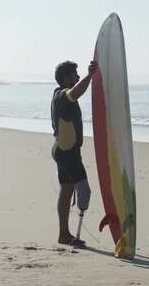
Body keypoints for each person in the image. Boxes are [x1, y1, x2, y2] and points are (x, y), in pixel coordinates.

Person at [51, 60, 98, 245]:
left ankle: (64, 234)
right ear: (64, 78)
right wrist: (90, 76)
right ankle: (73, 235)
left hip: (62, 150)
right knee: (84, 191)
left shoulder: (57, 94)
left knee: (67, 190)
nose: (77, 77)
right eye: (74, 75)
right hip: (67, 153)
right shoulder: (63, 95)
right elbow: (76, 92)